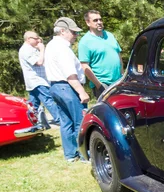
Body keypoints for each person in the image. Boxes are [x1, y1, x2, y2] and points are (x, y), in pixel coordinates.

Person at [45, 17, 90, 162]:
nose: (76, 35)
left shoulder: (51, 45)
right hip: (68, 87)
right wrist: (81, 92)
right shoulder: (62, 48)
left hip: (55, 87)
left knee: (66, 122)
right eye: (73, 32)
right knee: (80, 121)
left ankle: (70, 155)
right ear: (63, 31)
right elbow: (70, 74)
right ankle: (84, 155)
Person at [18, 31, 62, 125]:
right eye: (36, 38)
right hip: (36, 80)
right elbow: (39, 62)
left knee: (34, 103)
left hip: (38, 80)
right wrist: (42, 49)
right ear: (28, 39)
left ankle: (30, 121)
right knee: (48, 99)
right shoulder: (26, 50)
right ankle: (59, 119)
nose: (38, 40)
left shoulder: (32, 49)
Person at [78, 10, 123, 97]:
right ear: (88, 23)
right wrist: (99, 85)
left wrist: (122, 76)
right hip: (103, 83)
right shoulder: (85, 42)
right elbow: (84, 66)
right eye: (95, 20)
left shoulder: (109, 35)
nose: (99, 22)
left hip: (118, 82)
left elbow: (118, 56)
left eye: (100, 19)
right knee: (108, 110)